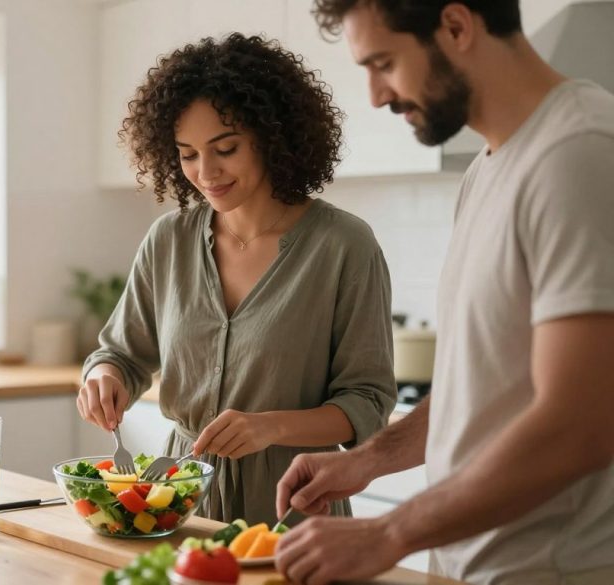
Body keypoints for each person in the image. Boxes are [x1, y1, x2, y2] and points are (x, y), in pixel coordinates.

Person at [274, 2, 614, 584]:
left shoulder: (579, 153)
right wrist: (368, 461)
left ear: (457, 25)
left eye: (383, 62)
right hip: (469, 565)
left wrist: (390, 532)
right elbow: (481, 386)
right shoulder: (488, 168)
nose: (377, 95)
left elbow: (583, 421)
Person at [76, 33, 397, 526]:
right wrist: (104, 378)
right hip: (178, 500)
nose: (205, 172)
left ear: (273, 136)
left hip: (294, 506)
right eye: (187, 154)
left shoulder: (343, 247)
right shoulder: (169, 240)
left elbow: (367, 403)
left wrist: (270, 427)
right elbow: (119, 353)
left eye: (225, 148)